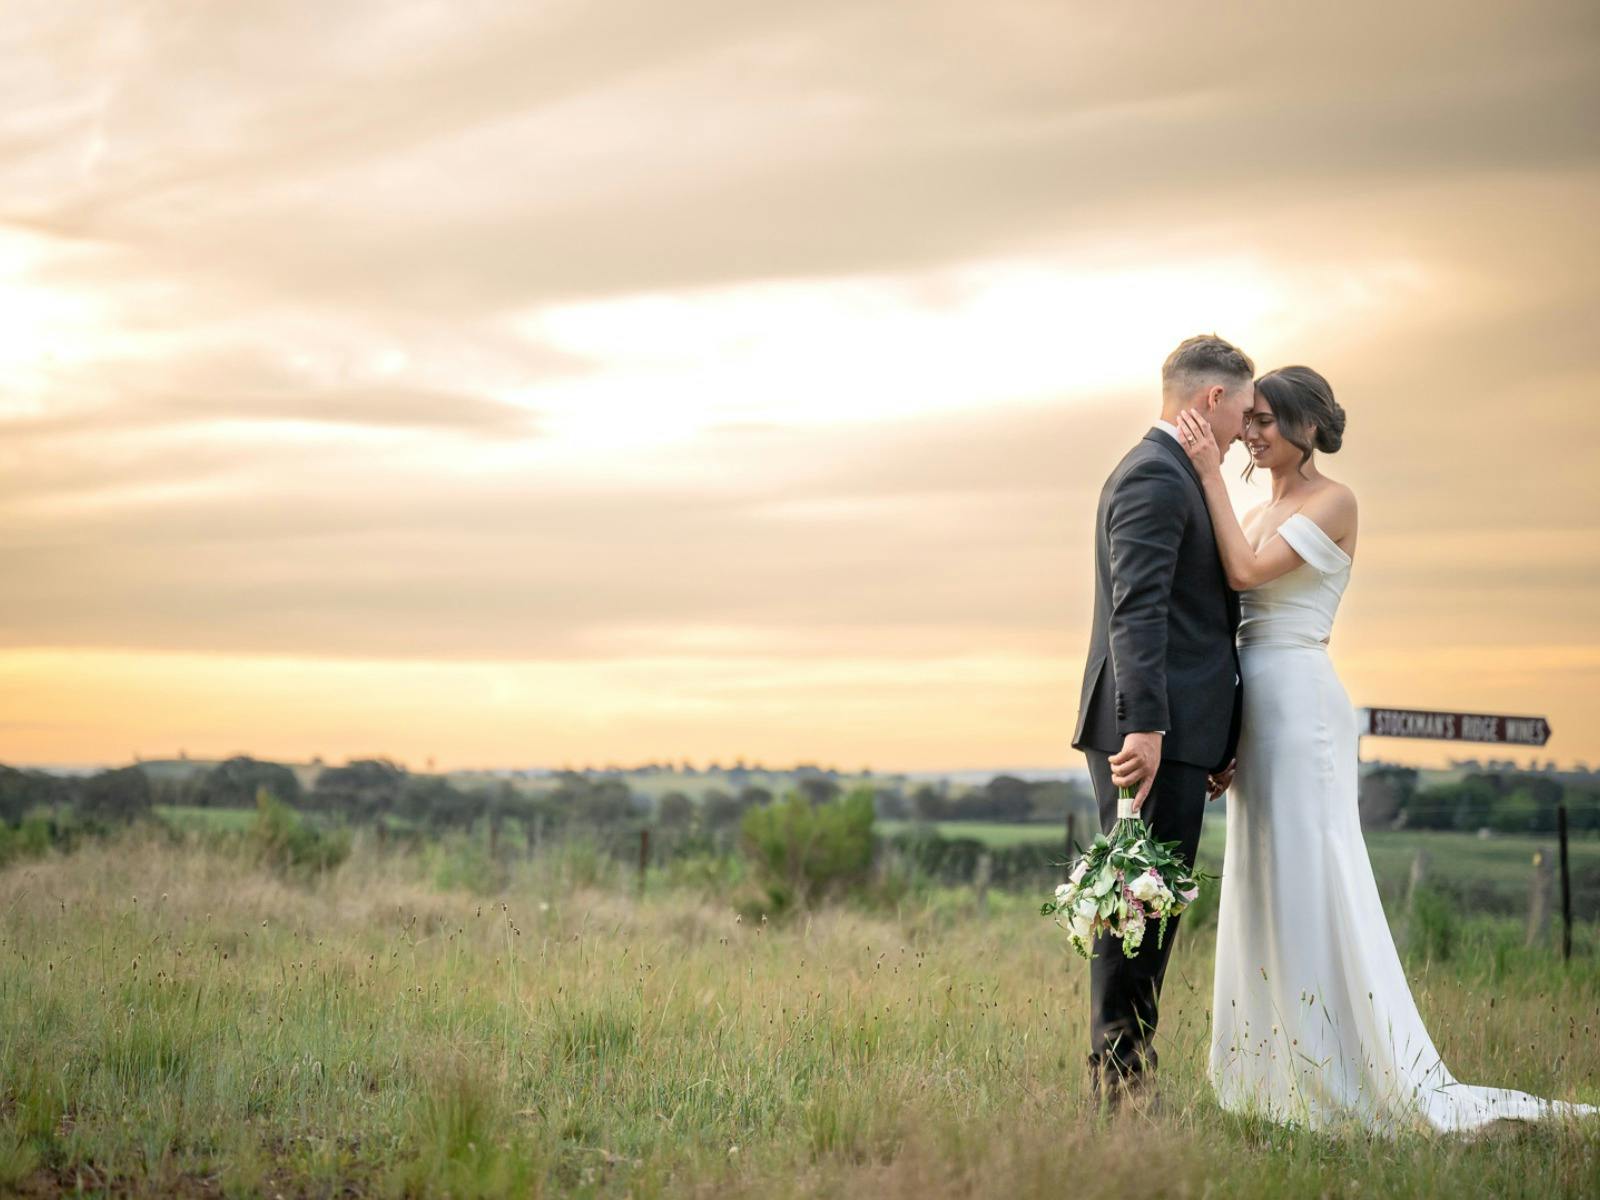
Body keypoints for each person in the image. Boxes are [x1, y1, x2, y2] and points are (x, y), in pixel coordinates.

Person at [1175, 366, 1597, 1132]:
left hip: (1301, 703)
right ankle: (1267, 1072)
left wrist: (1205, 469)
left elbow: (1243, 571)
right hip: (1256, 705)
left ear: (1308, 426)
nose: (1254, 431)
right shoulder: (1257, 505)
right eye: (1253, 418)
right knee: (1263, 873)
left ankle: (1340, 1068)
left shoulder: (1335, 501)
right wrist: (1219, 731)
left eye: (1270, 419)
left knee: (1310, 868)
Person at [1070, 333, 1251, 1105]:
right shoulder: (1154, 476)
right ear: (1212, 400)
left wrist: (1220, 728)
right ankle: (1119, 1083)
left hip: (1176, 730)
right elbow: (1136, 611)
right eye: (1244, 410)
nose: (1247, 427)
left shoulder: (1180, 474)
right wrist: (1146, 726)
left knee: (1151, 906)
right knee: (1135, 908)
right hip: (1150, 734)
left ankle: (1125, 1075)